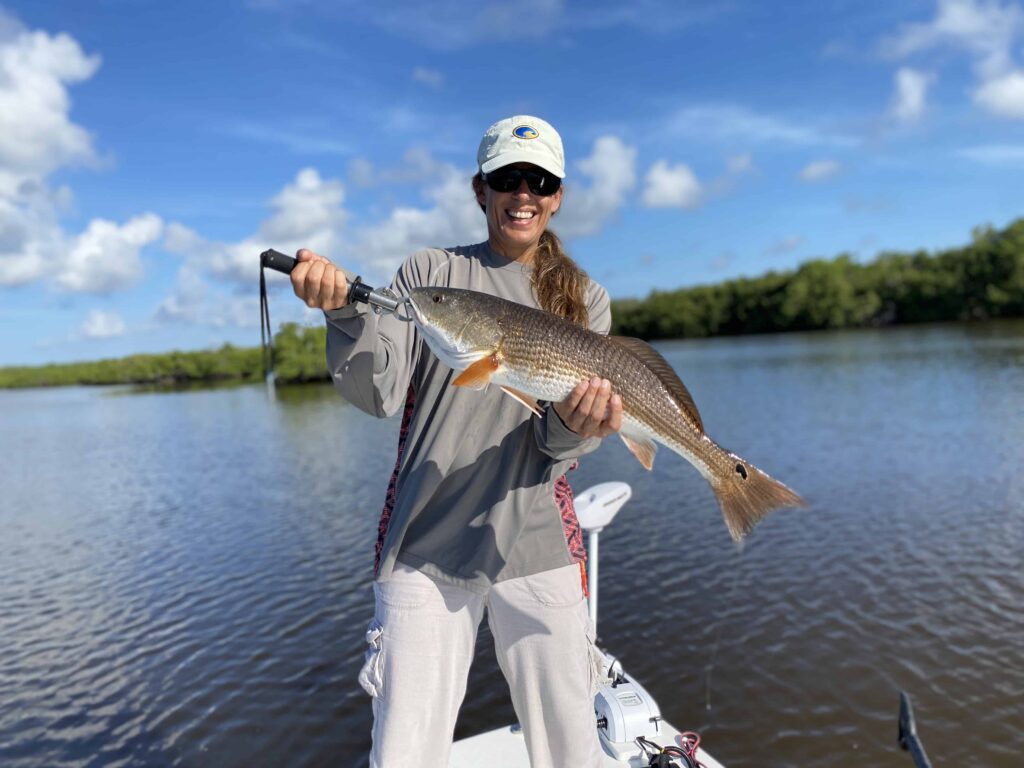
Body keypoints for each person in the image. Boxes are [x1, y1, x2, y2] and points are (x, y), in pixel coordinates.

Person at [290, 115, 622, 768]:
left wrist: (576, 427)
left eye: (539, 180)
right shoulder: (429, 274)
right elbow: (377, 393)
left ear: (557, 195)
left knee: (572, 749)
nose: (522, 192)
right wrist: (343, 312)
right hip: (426, 536)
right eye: (507, 178)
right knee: (405, 750)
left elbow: (561, 449)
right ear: (481, 189)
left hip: (535, 535)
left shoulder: (585, 299)